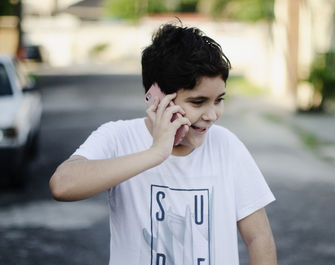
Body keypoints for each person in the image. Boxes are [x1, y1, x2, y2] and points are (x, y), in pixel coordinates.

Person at [50, 22, 277, 265]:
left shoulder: (226, 145)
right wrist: (156, 153)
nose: (212, 114)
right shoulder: (118, 137)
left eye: (218, 100)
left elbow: (259, 238)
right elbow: (62, 185)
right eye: (198, 102)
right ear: (157, 99)